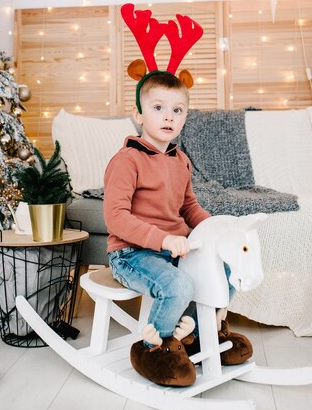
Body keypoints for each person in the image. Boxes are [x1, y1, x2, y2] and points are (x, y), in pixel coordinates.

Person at [104, 71, 252, 387]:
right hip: (132, 253)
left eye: (177, 110)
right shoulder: (127, 160)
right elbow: (116, 217)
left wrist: (218, 230)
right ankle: (153, 348)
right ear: (138, 114)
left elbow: (188, 208)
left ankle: (200, 334)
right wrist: (163, 238)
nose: (168, 117)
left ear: (185, 117)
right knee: (179, 286)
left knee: (226, 270)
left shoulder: (179, 159)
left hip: (171, 249)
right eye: (158, 108)